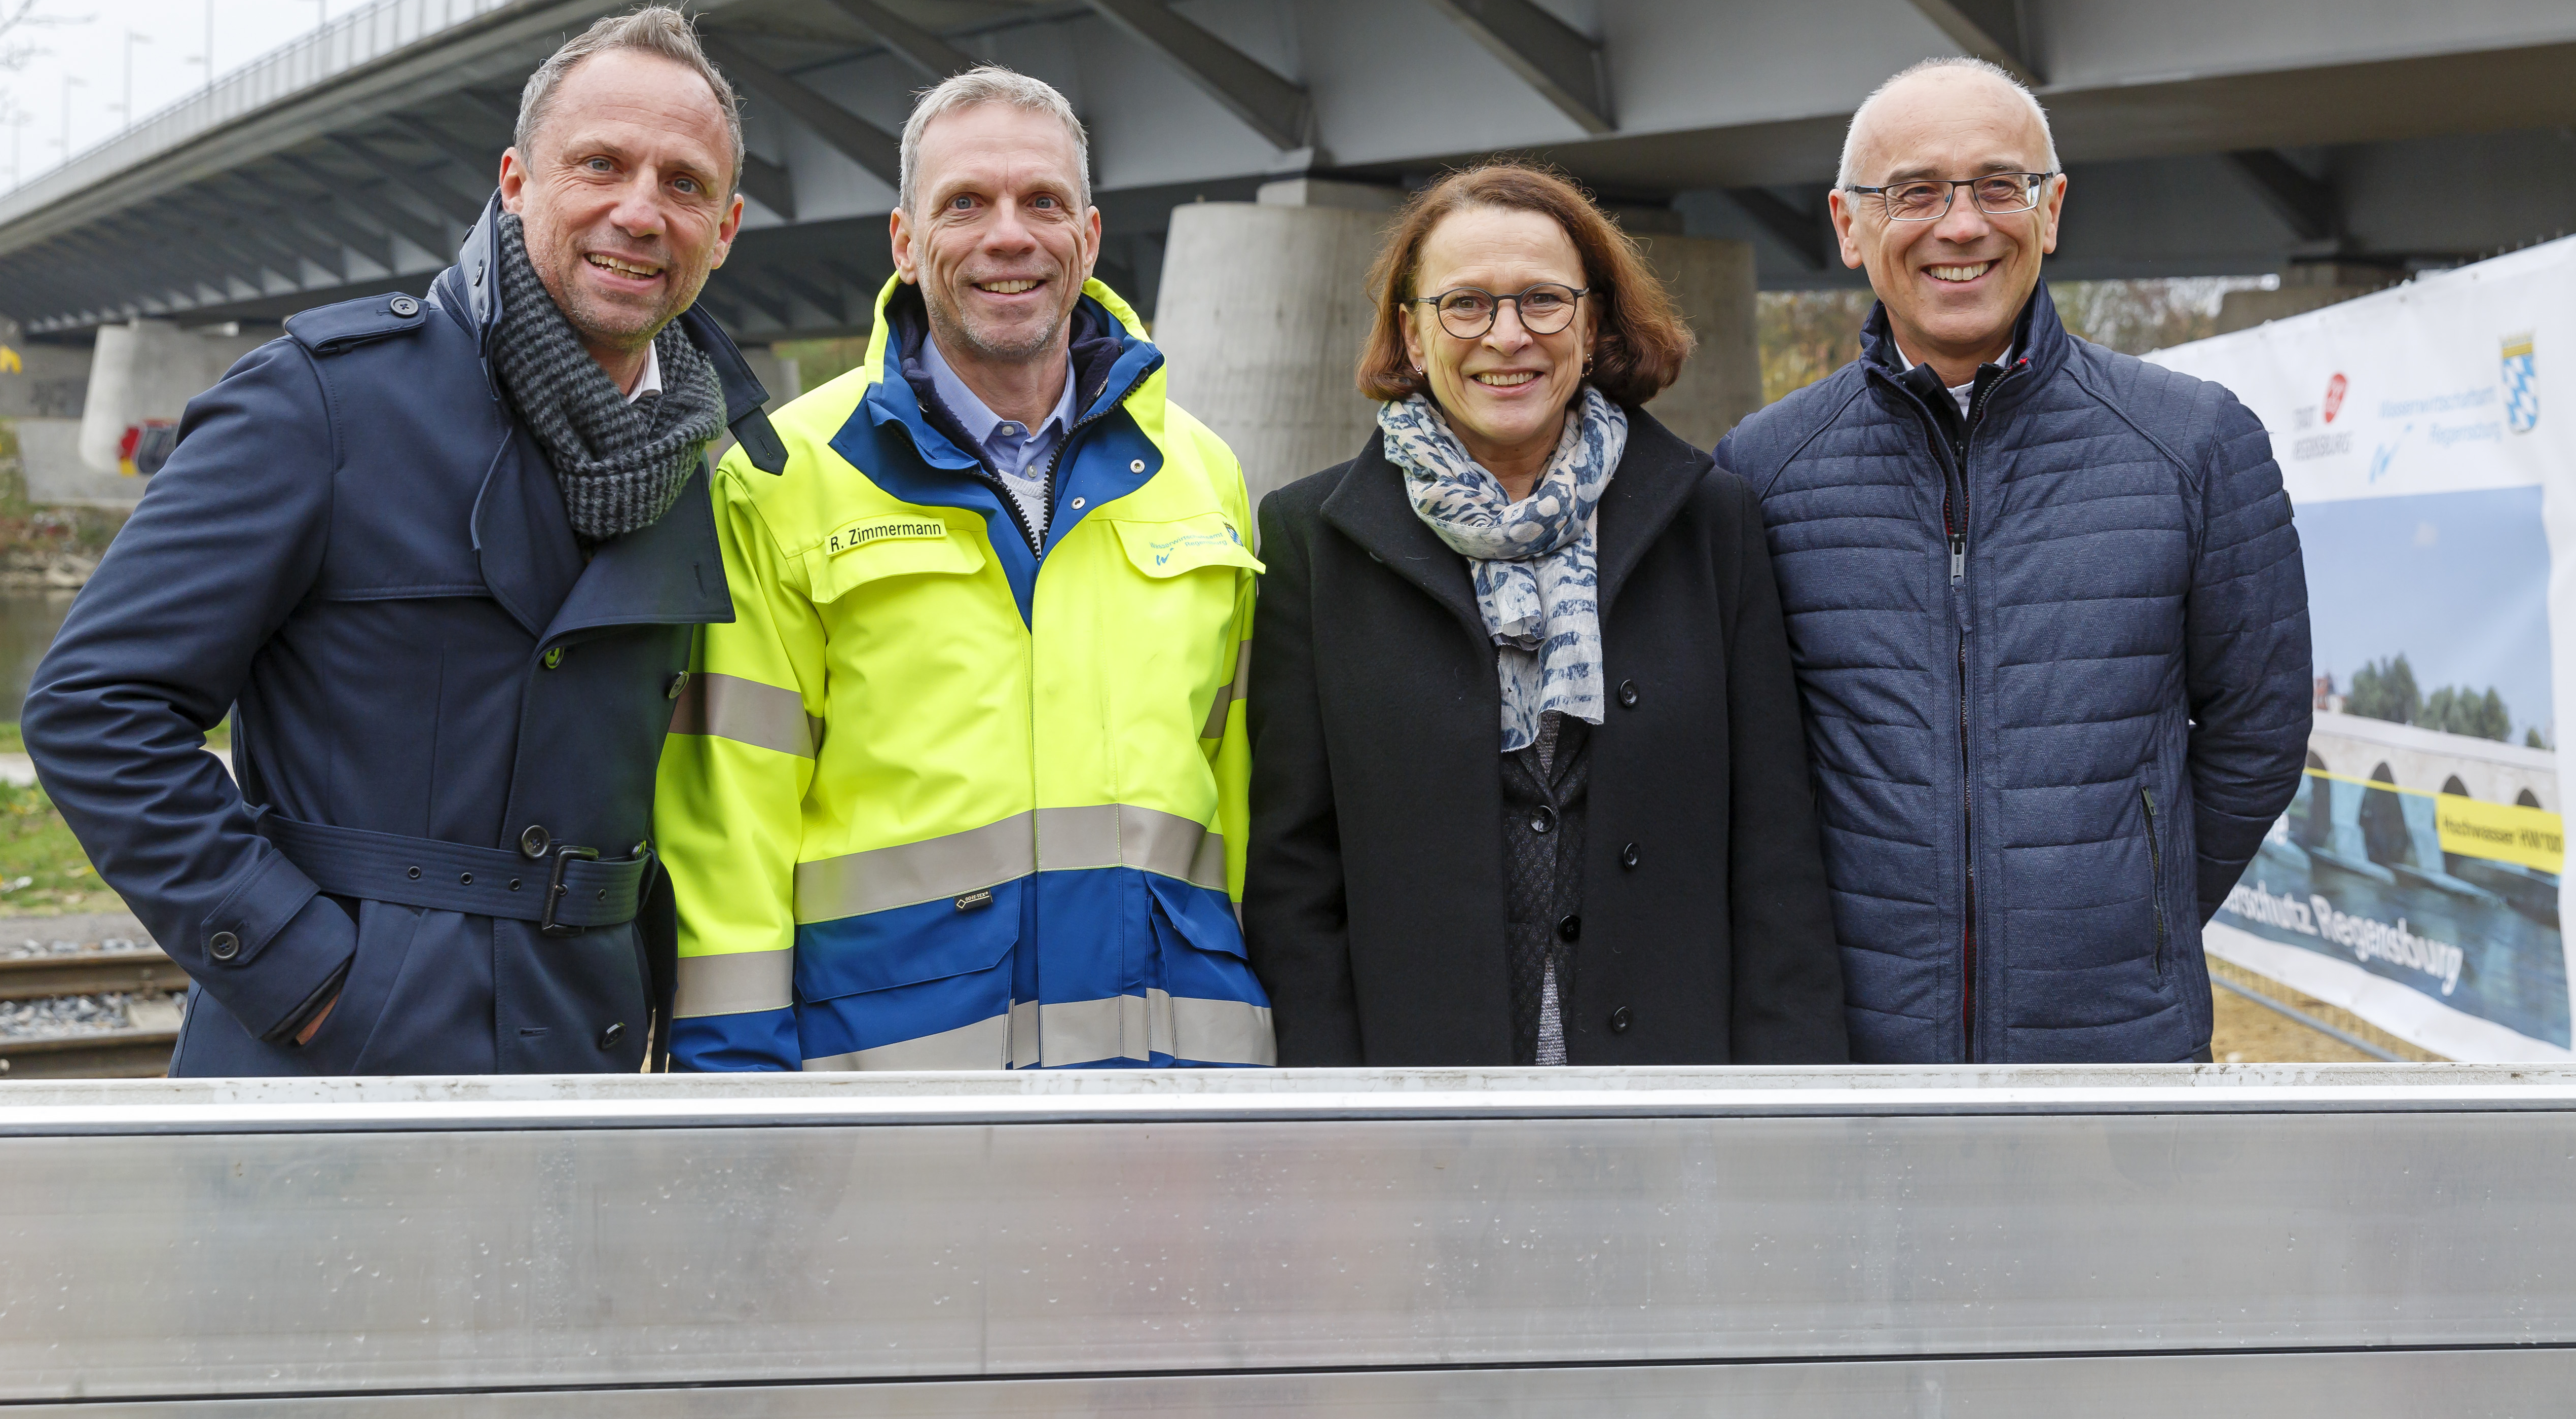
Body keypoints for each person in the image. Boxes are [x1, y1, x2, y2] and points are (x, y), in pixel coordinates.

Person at [23, 6, 784, 1076]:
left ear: (728, 226)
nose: (641, 211)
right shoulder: (322, 404)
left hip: (585, 1060)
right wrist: (312, 977)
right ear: (516, 182)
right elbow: (93, 707)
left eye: (684, 184)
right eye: (601, 164)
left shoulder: (699, 455)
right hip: (336, 1074)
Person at [651, 66, 1273, 1070]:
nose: (1009, 234)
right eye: (966, 203)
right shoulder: (778, 478)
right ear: (904, 239)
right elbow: (730, 825)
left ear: (1091, 236)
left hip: (1174, 1097)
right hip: (900, 1100)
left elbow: (1239, 800)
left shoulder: (1204, 474)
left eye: (1043, 202)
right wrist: (736, 1097)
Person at [1714, 56, 2311, 1064]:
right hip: (1850, 1056)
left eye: (1999, 185)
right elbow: (1747, 771)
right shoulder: (1762, 470)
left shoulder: (2196, 443)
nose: (1961, 225)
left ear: (2052, 209)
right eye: (1915, 191)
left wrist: (2138, 916)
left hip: (2118, 1054)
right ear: (1848, 225)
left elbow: (2260, 728)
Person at [1240, 162, 1850, 1066]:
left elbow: (1774, 853)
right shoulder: (1312, 540)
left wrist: (1783, 1100)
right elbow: (1295, 878)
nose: (1507, 335)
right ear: (1411, 334)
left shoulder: (1708, 519)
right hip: (1416, 1095)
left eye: (1542, 301)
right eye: (1466, 305)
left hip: (1672, 1089)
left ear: (1593, 322)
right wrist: (1330, 1117)